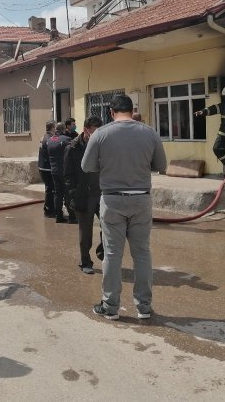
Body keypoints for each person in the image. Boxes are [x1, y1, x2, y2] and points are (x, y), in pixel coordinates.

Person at [82, 95, 167, 321]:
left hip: (112, 200)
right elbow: (161, 165)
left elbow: (86, 166)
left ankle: (110, 306)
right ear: (132, 110)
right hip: (141, 199)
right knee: (142, 253)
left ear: (111, 112)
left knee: (112, 253)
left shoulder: (100, 134)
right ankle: (144, 307)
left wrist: (108, 162)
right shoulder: (149, 132)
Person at [63, 115, 103, 274]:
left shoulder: (102, 145)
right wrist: (73, 196)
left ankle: (103, 252)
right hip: (83, 195)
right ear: (86, 130)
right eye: (96, 131)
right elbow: (67, 176)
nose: (99, 135)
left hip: (101, 193)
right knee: (85, 232)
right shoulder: (72, 148)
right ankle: (85, 261)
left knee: (109, 227)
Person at [47, 123, 75, 224]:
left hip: (54, 171)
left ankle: (58, 216)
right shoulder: (66, 139)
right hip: (64, 171)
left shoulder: (49, 141)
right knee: (68, 193)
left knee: (57, 194)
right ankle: (72, 216)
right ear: (64, 129)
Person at [37, 121, 56, 218]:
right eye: (55, 126)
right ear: (52, 128)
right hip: (47, 168)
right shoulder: (49, 139)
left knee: (49, 189)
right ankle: (48, 210)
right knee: (50, 189)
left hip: (42, 167)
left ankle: (50, 209)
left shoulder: (44, 137)